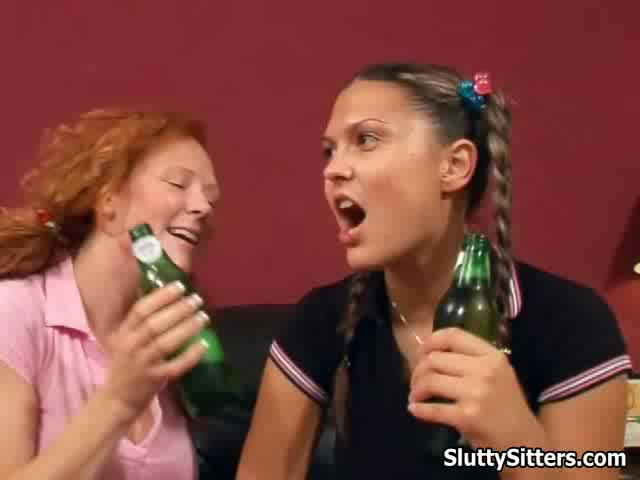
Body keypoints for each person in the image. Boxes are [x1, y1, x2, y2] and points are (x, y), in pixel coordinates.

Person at [237, 63, 632, 479]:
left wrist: (514, 440)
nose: (332, 169)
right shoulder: (319, 321)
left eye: (366, 140)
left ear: (455, 166)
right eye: (329, 151)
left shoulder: (571, 323)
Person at [0, 108, 221, 479]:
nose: (203, 207)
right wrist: (119, 399)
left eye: (211, 198)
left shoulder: (174, 332)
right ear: (109, 203)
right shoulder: (15, 312)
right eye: (179, 184)